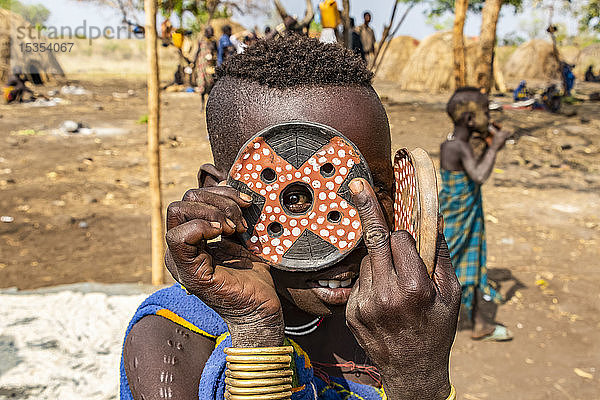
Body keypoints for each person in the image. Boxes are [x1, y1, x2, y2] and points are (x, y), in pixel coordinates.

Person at [121, 35, 461, 400]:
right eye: (296, 198)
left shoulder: (394, 321)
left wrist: (416, 373)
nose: (345, 239)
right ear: (218, 194)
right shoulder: (171, 341)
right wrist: (255, 329)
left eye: (370, 191)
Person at [439, 87, 513, 342]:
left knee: (471, 263)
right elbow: (479, 175)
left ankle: (480, 322)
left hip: (466, 215)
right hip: (458, 217)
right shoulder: (455, 146)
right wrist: (496, 147)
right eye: (484, 111)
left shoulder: (457, 143)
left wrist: (491, 143)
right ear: (469, 120)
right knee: (451, 264)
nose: (489, 116)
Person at [194, 26, 218, 109]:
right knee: (202, 84)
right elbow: (197, 51)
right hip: (201, 65)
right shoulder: (201, 40)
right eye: (209, 32)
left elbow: (216, 52)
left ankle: (209, 104)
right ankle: (202, 103)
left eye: (211, 32)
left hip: (210, 66)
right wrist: (193, 63)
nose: (210, 33)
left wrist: (213, 58)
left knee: (210, 84)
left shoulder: (214, 42)